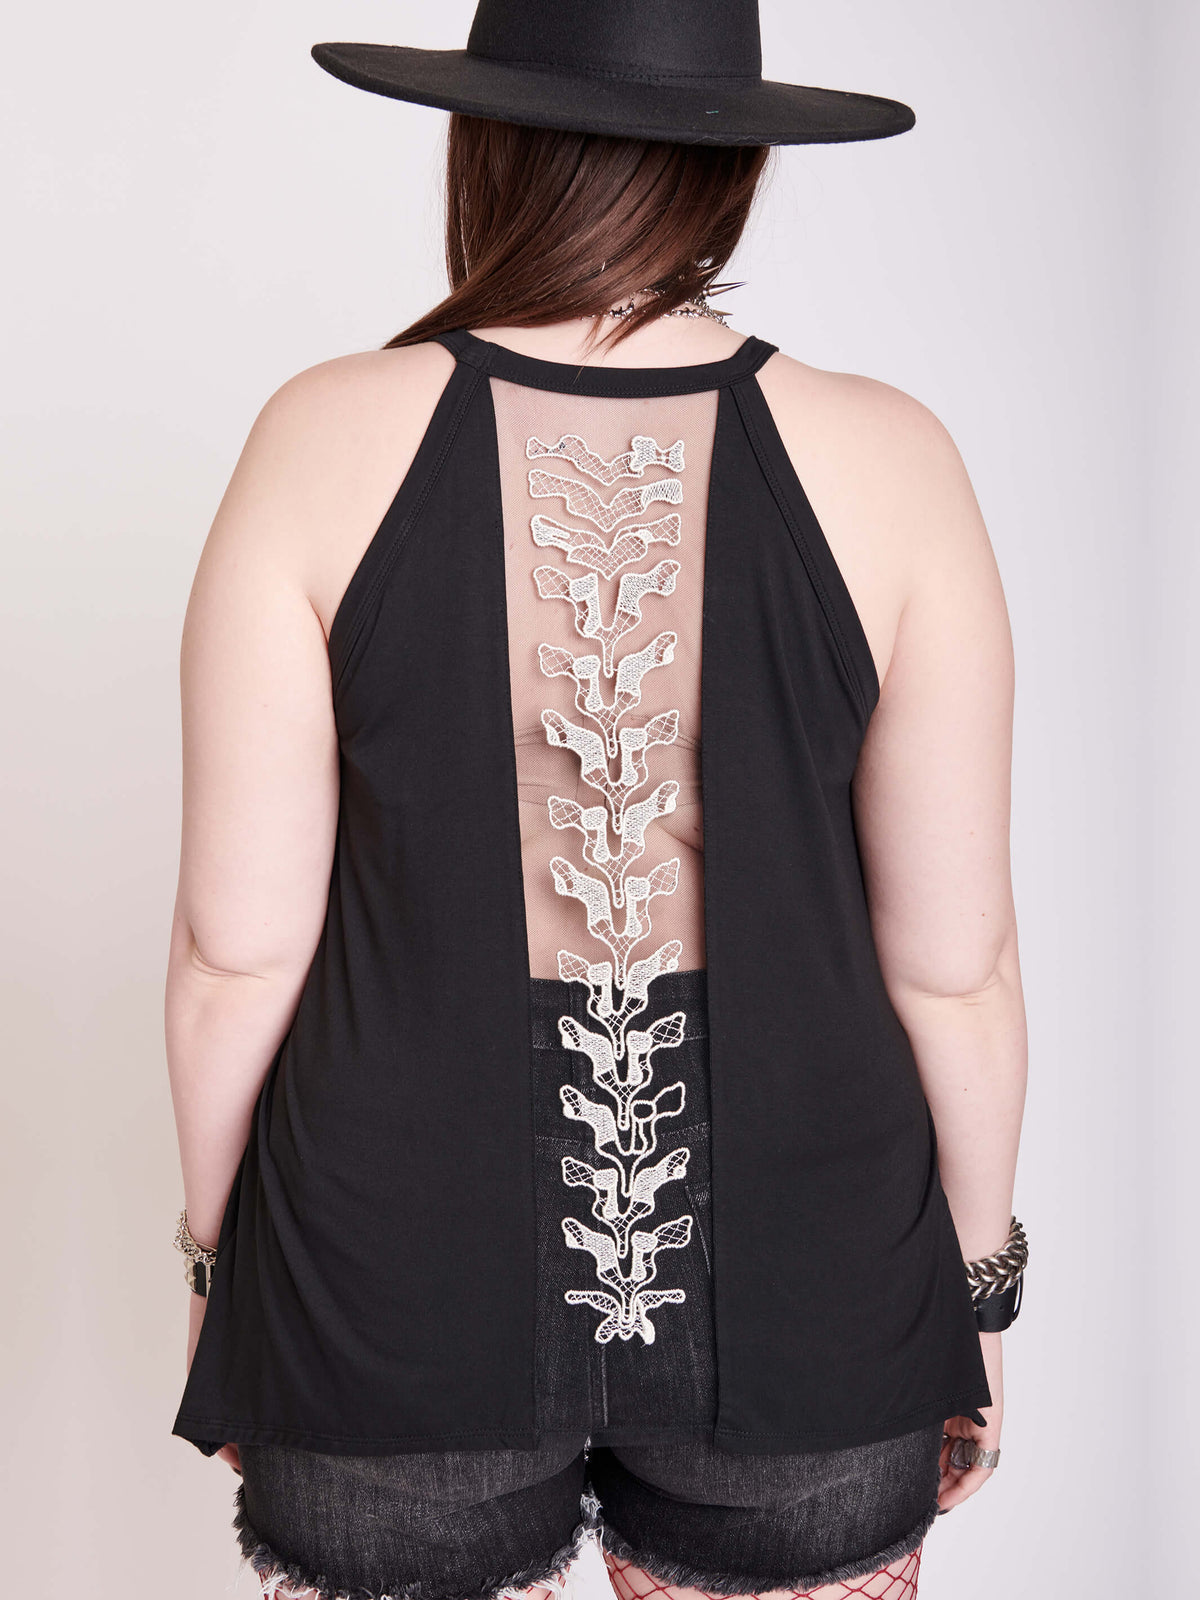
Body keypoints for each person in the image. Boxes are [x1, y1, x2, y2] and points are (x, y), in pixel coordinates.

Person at [165, 4, 1029, 1598]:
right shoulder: (895, 456)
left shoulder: (319, 434)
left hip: (388, 1263)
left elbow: (238, 949)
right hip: (815, 1262)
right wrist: (973, 1292)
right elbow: (954, 967)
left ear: (480, 148)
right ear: (736, 167)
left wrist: (226, 1272)